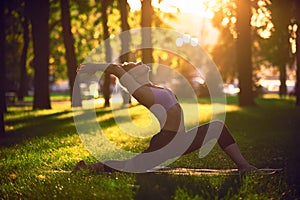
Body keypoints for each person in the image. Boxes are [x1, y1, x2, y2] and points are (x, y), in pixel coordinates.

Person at [75, 61, 257, 173]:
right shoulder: (142, 93)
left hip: (181, 138)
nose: (139, 62)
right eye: (135, 64)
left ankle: (243, 166)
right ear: (132, 75)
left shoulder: (156, 87)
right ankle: (89, 168)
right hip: (166, 142)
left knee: (217, 126)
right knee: (132, 167)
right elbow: (115, 68)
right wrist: (94, 67)